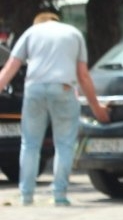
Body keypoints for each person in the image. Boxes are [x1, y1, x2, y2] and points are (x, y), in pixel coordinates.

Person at [0, 12, 109, 206]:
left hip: (34, 88)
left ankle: (26, 195)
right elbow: (83, 75)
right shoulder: (73, 33)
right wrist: (96, 107)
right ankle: (59, 194)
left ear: (38, 22)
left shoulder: (31, 33)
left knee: (30, 144)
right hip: (63, 88)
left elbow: (10, 68)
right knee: (64, 144)